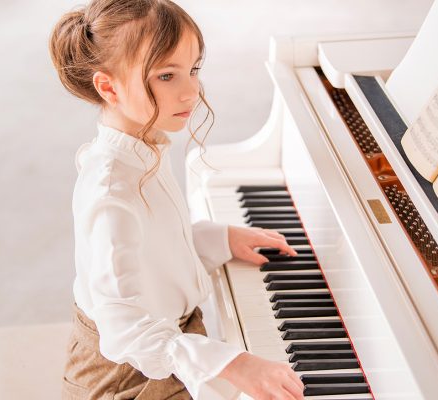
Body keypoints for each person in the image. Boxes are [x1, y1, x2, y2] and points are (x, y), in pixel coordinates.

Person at [48, 1, 306, 399]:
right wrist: (235, 363)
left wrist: (217, 239)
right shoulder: (110, 190)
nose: (191, 91)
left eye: (194, 70)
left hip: (167, 343)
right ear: (108, 87)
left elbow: (157, 247)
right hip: (125, 375)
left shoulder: (143, 145)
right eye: (166, 76)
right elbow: (124, 328)